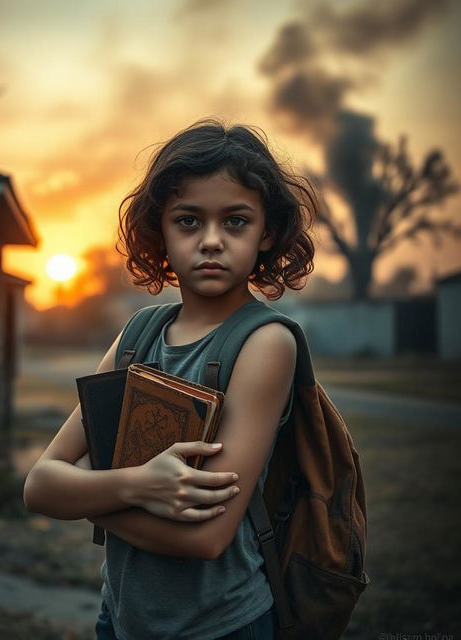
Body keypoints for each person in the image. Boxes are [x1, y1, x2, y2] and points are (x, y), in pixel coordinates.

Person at [23, 120, 316, 640]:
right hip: (120, 619)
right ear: (159, 229)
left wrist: (91, 490)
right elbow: (41, 486)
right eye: (188, 221)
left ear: (266, 232)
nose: (210, 241)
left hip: (222, 625)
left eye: (235, 222)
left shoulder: (266, 342)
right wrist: (140, 484)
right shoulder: (139, 333)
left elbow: (205, 538)